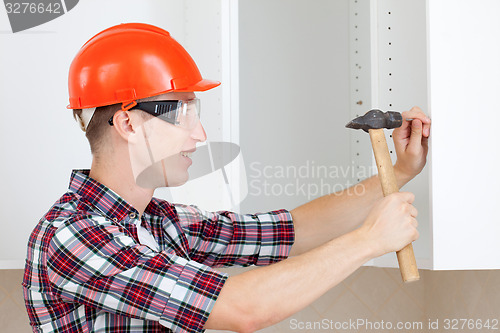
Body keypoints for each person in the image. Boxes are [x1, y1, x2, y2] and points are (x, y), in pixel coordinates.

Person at [22, 23, 431, 333]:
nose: (199, 134)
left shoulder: (162, 222)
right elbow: (241, 307)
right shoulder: (70, 235)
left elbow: (294, 230)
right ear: (128, 123)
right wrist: (368, 241)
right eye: (182, 111)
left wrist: (398, 173)